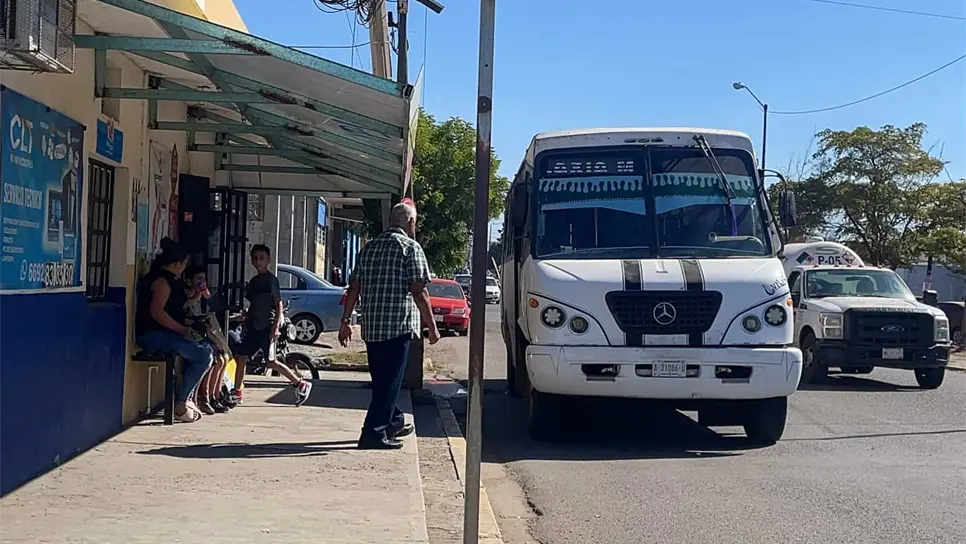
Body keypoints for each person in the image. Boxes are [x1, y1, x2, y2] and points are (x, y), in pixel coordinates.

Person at [339, 201, 440, 450]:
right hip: (398, 326)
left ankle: (393, 421)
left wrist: (345, 321)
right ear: (411, 222)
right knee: (390, 381)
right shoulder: (410, 248)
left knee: (382, 381)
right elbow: (419, 290)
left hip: (373, 327)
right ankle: (372, 433)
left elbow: (354, 288)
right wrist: (432, 325)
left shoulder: (369, 248)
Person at [135, 238, 213, 423]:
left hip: (167, 334)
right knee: (203, 356)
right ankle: (181, 402)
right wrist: (182, 329)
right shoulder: (162, 282)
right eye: (184, 264)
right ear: (177, 264)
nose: (184, 268)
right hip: (154, 335)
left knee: (206, 349)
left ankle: (186, 398)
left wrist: (196, 297)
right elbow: (157, 312)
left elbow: (175, 307)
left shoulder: (172, 281)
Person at [231, 244, 312, 406]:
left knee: (271, 361)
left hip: (267, 326)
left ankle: (300, 383)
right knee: (242, 358)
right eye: (255, 258)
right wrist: (246, 321)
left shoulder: (271, 281)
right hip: (253, 327)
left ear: (269, 260)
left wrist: (275, 327)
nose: (258, 261)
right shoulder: (254, 282)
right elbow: (253, 305)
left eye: (262, 258)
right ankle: (237, 392)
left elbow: (278, 303)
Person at [183, 266, 234, 414]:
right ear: (189, 281)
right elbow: (184, 311)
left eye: (203, 280)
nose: (202, 282)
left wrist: (206, 296)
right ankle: (203, 397)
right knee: (213, 359)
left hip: (203, 332)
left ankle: (215, 395)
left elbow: (212, 309)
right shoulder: (186, 294)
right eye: (198, 279)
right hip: (190, 332)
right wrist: (196, 296)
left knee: (223, 358)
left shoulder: (204, 297)